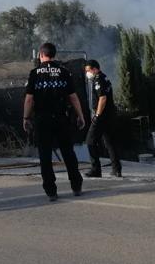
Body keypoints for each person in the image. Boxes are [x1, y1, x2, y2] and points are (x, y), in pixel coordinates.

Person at [23, 42, 85, 201]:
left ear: (41, 55)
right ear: (54, 55)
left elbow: (29, 99)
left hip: (42, 119)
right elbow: (73, 97)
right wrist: (80, 116)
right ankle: (76, 186)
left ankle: (51, 191)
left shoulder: (34, 73)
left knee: (45, 155)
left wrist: (26, 118)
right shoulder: (64, 72)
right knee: (68, 153)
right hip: (61, 118)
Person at [83, 60, 121, 178]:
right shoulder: (104, 78)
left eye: (88, 70)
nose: (87, 73)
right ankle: (116, 169)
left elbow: (102, 98)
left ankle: (96, 169)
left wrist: (97, 115)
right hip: (110, 115)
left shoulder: (98, 79)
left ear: (95, 69)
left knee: (90, 141)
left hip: (102, 115)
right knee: (110, 142)